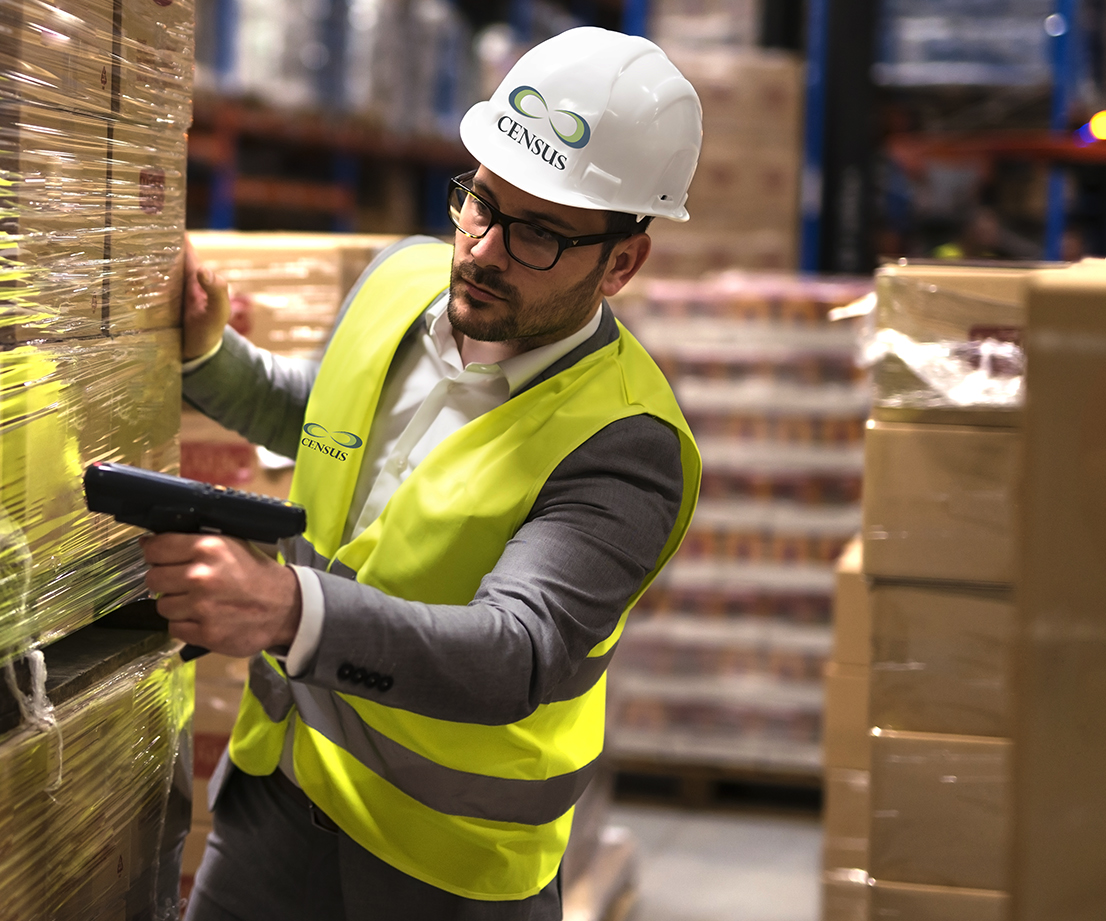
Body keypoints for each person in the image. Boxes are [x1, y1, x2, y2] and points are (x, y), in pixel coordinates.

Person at [148, 28, 704, 920]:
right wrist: (211, 355)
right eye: (481, 202)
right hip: (280, 791)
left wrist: (288, 610)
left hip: (447, 864)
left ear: (621, 263)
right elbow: (331, 422)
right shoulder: (401, 281)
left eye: (539, 234)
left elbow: (514, 651)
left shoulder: (629, 441)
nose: (483, 250)